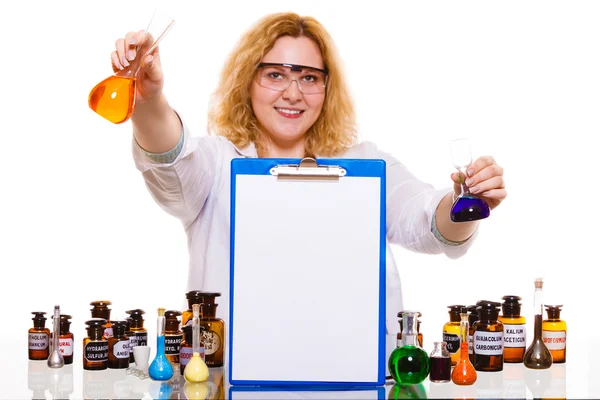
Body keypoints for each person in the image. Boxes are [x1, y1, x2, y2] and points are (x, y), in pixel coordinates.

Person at [111, 12, 506, 336]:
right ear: (248, 80)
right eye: (276, 74)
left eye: (310, 77)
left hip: (355, 380)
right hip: (231, 379)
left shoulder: (367, 165)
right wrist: (149, 99)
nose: (294, 93)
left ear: (327, 88)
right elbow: (169, 159)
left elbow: (426, 221)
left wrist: (464, 200)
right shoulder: (219, 165)